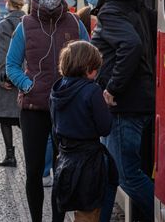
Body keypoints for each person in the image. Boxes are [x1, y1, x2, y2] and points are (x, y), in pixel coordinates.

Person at [6, 0, 90, 222]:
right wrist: (29, 86)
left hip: (66, 110)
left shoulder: (75, 24)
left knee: (62, 171)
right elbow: (11, 65)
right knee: (33, 172)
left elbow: (90, 59)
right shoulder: (25, 25)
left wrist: (78, 89)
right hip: (33, 109)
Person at [86, 0, 155, 222]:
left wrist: (113, 88)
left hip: (124, 106)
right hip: (138, 100)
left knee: (128, 176)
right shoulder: (133, 6)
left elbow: (131, 45)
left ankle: (156, 213)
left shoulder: (111, 12)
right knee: (109, 171)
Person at [50, 41, 117, 222]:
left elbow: (54, 129)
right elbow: (105, 128)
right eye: (96, 69)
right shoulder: (92, 91)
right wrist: (106, 106)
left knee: (62, 206)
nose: (97, 74)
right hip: (90, 162)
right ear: (88, 68)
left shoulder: (57, 89)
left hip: (65, 158)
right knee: (90, 209)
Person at [0, 0, 25, 167]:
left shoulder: (4, 24)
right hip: (25, 76)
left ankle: (10, 155)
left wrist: (4, 78)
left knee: (5, 118)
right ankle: (32, 154)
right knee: (24, 118)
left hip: (9, 76)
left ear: (9, 2)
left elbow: (3, 53)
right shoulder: (28, 21)